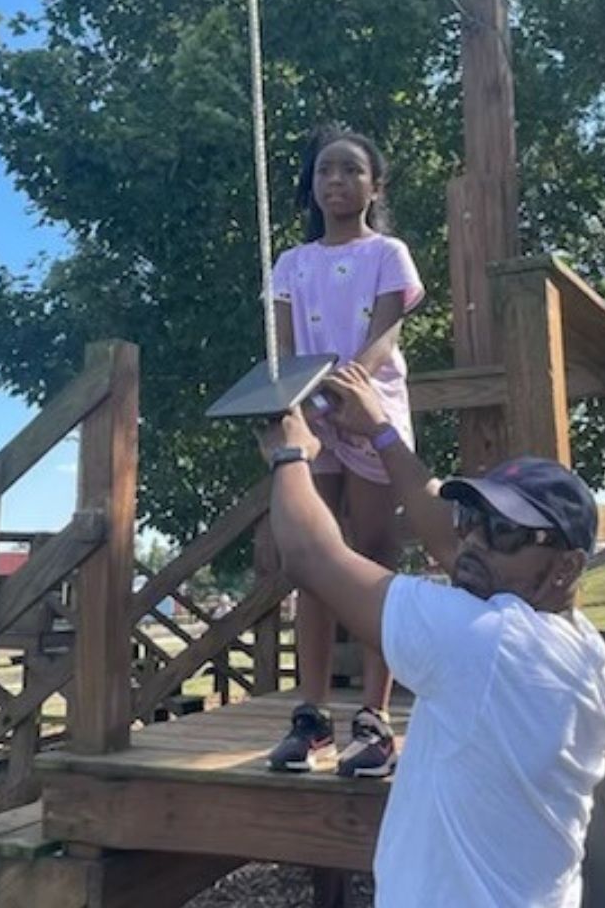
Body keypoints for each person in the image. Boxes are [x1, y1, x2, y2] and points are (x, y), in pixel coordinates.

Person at [258, 364, 605, 907]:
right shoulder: (579, 645)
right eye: (470, 517)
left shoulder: (490, 645)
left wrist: (290, 456)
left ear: (566, 566)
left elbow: (311, 558)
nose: (474, 540)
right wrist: (381, 431)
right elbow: (453, 542)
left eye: (502, 530)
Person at [267, 126, 425, 778]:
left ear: (374, 185)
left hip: (368, 407)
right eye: (325, 172)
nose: (337, 182)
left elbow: (384, 334)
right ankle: (311, 714)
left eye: (351, 171)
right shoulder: (291, 263)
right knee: (312, 564)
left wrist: (347, 389)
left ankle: (375, 716)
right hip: (311, 416)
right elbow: (282, 345)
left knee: (374, 555)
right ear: (310, 184)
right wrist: (294, 403)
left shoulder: (387, 252)